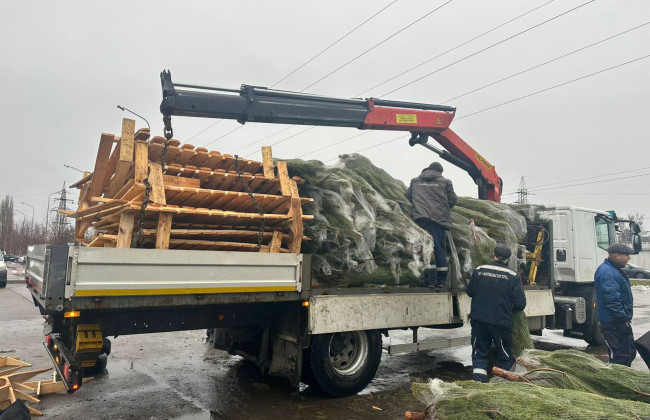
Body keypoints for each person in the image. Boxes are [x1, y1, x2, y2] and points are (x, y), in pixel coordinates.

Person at [466, 244, 526, 383]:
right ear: (508, 259)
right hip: (501, 322)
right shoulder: (513, 276)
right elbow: (520, 304)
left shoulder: (480, 270)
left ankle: (479, 382)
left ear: (493, 255)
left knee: (479, 352)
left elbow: (470, 292)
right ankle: (502, 385)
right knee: (504, 354)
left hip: (479, 320)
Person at [406, 162, 457, 287]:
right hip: (439, 220)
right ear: (440, 171)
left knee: (426, 248)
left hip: (420, 219)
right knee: (439, 248)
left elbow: (408, 197)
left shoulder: (415, 181)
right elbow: (453, 200)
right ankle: (441, 281)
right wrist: (443, 208)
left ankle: (430, 280)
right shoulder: (446, 182)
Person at [594, 242, 636, 366]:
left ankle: (624, 378)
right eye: (626, 255)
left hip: (617, 321)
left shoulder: (613, 270)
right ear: (617, 256)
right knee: (620, 356)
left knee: (628, 352)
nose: (629, 257)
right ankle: (617, 381)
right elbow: (611, 300)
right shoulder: (608, 272)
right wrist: (622, 320)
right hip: (614, 322)